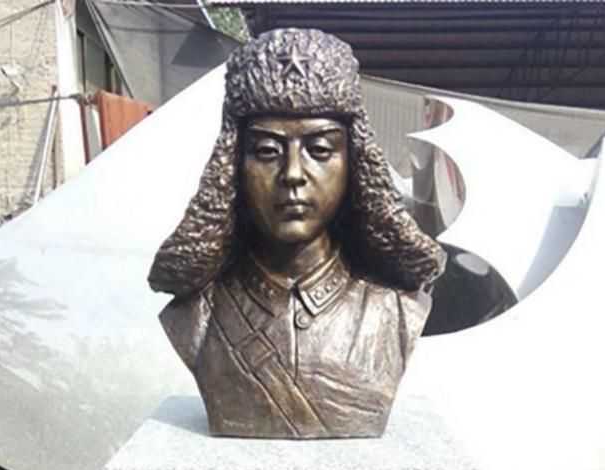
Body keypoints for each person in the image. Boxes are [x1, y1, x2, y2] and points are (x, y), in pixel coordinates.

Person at [148, 28, 445, 438]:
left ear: (354, 164)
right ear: (232, 166)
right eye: (267, 151)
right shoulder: (196, 316)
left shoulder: (397, 312)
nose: (292, 174)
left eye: (319, 150)